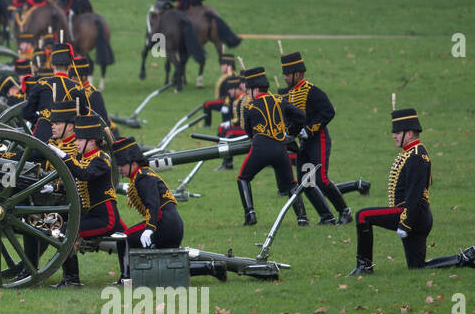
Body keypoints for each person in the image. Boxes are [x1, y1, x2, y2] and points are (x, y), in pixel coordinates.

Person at [349, 109, 475, 275]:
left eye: (397, 132)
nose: (394, 136)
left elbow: (415, 193)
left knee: (363, 216)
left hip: (412, 214)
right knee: (417, 266)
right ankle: (464, 258)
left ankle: (364, 267)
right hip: (418, 216)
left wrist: (405, 223)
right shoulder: (412, 152)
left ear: (409, 133)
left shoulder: (417, 156)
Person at [113, 137, 228, 280]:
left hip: (164, 224)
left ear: (133, 163)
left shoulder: (142, 177)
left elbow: (153, 204)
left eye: (122, 165)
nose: (119, 169)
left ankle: (126, 278)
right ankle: (212, 267)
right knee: (165, 264)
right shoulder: (144, 174)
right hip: (172, 224)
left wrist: (149, 229)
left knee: (123, 238)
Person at [52, 114, 136, 287]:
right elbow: (77, 182)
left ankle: (72, 279)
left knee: (65, 233)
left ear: (91, 142)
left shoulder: (101, 159)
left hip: (105, 217)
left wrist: (64, 157)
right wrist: (54, 188)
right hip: (94, 215)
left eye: (79, 140)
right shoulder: (85, 158)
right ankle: (127, 277)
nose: (76, 143)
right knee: (126, 237)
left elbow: (85, 174)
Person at [280, 51, 351, 226]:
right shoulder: (289, 95)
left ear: (299, 74)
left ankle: (345, 211)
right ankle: (326, 216)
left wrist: (309, 130)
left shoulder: (312, 91)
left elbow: (328, 112)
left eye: (288, 74)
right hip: (304, 143)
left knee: (322, 179)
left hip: (318, 140)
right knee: (306, 181)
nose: (285, 78)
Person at [235, 67, 309, 227]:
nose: (248, 93)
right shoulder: (279, 100)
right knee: (291, 184)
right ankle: (302, 218)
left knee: (243, 178)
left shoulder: (249, 108)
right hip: (281, 149)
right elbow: (300, 116)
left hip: (260, 149)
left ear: (255, 89)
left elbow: (249, 133)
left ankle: (250, 214)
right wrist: (291, 133)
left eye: (249, 90)